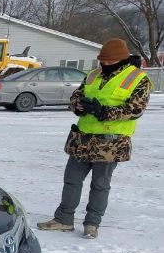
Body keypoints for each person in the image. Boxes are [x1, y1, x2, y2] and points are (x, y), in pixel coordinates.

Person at [37, 38, 151, 239]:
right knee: (71, 180)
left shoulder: (137, 78)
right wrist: (78, 106)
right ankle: (64, 219)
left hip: (110, 142)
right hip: (83, 138)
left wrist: (104, 111)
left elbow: (136, 109)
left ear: (121, 60)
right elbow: (76, 96)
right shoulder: (94, 74)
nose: (104, 65)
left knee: (100, 184)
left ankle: (92, 224)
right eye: (102, 61)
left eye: (109, 62)